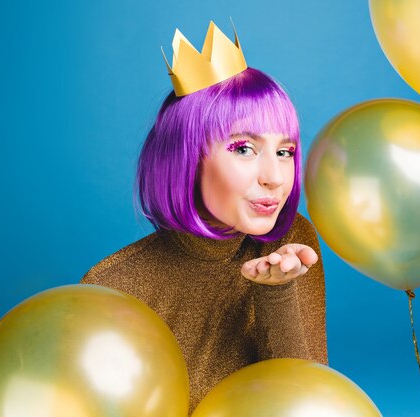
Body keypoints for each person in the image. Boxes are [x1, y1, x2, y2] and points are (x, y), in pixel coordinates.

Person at [81, 21, 327, 413]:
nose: (275, 178)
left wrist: (277, 290)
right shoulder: (114, 287)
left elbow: (310, 399)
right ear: (188, 159)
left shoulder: (292, 244)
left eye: (285, 151)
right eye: (244, 148)